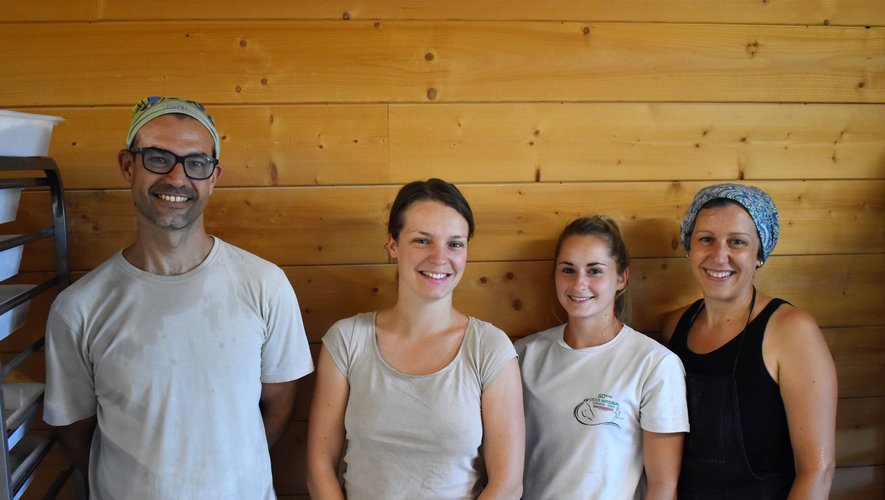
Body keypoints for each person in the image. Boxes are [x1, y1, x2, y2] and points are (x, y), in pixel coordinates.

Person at [43, 96, 314, 499]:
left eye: (196, 163)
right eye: (157, 157)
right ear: (128, 166)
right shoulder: (78, 309)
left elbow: (277, 405)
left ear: (214, 176)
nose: (177, 177)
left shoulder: (265, 285)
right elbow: (74, 429)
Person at [306, 178, 524, 500]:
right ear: (393, 245)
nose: (439, 258)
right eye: (422, 241)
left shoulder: (489, 348)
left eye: (455, 244)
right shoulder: (347, 341)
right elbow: (319, 467)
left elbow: (507, 485)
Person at [662, 183, 837, 499]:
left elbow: (817, 471)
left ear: (759, 253)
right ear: (689, 246)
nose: (719, 255)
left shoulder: (791, 330)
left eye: (737, 242)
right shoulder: (674, 326)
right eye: (706, 239)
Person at [516, 216, 689, 500]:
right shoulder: (523, 355)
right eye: (568, 270)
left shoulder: (654, 364)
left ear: (621, 278)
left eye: (595, 270)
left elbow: (663, 486)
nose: (579, 283)